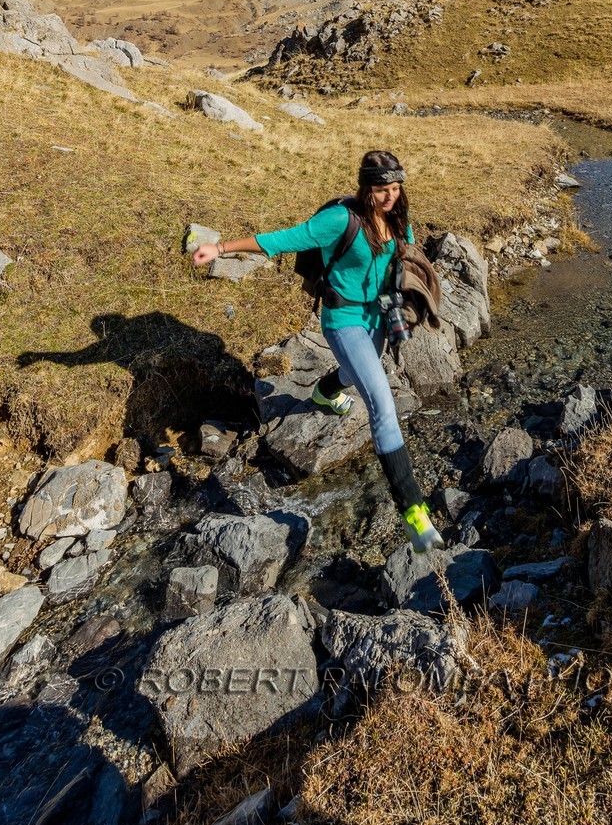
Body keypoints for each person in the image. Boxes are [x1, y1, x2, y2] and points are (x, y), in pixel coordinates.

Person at [190, 148, 445, 553]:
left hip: (378, 317)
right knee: (381, 401)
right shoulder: (340, 219)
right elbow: (284, 239)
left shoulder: (398, 217)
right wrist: (219, 249)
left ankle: (325, 391)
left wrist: (407, 296)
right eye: (382, 189)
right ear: (366, 187)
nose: (390, 196)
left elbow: (408, 255)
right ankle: (413, 511)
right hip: (343, 320)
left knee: (361, 372)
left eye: (396, 188)